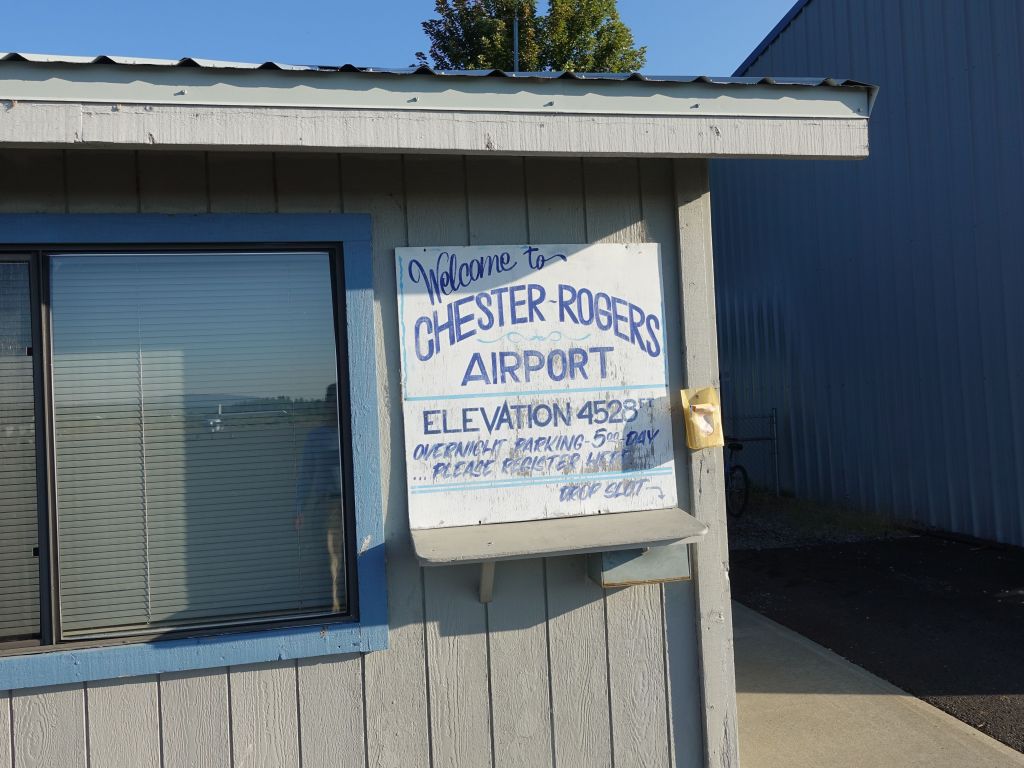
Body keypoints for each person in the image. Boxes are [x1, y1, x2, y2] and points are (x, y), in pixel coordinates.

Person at [294, 383, 344, 613]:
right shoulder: (316, 437)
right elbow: (305, 475)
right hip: (329, 505)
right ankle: (335, 606)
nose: (333, 407)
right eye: (330, 402)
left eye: (337, 401)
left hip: (352, 506)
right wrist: (299, 509)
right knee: (331, 558)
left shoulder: (351, 432)